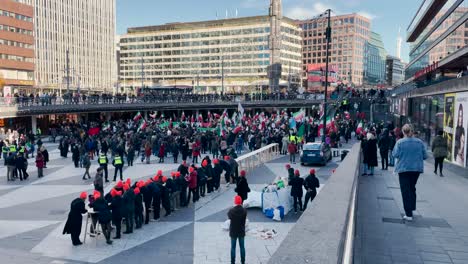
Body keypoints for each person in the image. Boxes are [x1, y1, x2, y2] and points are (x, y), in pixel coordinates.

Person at [392, 124, 427, 221]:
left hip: (403, 169)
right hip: (416, 169)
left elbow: (395, 154)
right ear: (412, 131)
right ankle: (411, 208)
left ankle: (408, 214)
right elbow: (425, 156)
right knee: (412, 188)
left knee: (405, 190)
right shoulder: (419, 142)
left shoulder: (400, 142)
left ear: (403, 132)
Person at [228, 195, 247, 264]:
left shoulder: (231, 211)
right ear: (241, 202)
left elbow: (229, 216)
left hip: (233, 231)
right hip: (241, 231)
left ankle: (232, 262)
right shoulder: (244, 211)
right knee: (242, 247)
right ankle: (243, 261)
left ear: (235, 202)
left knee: (233, 247)